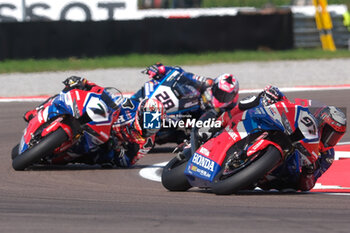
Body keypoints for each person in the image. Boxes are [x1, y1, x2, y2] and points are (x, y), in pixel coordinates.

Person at [23, 76, 165, 168]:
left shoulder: (146, 143)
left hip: (105, 144)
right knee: (68, 94)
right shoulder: (130, 106)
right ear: (140, 113)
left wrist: (117, 150)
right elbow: (108, 98)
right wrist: (86, 84)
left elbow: (128, 161)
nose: (149, 127)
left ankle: (58, 156)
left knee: (95, 159)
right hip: (98, 122)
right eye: (148, 120)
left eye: (154, 124)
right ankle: (37, 112)